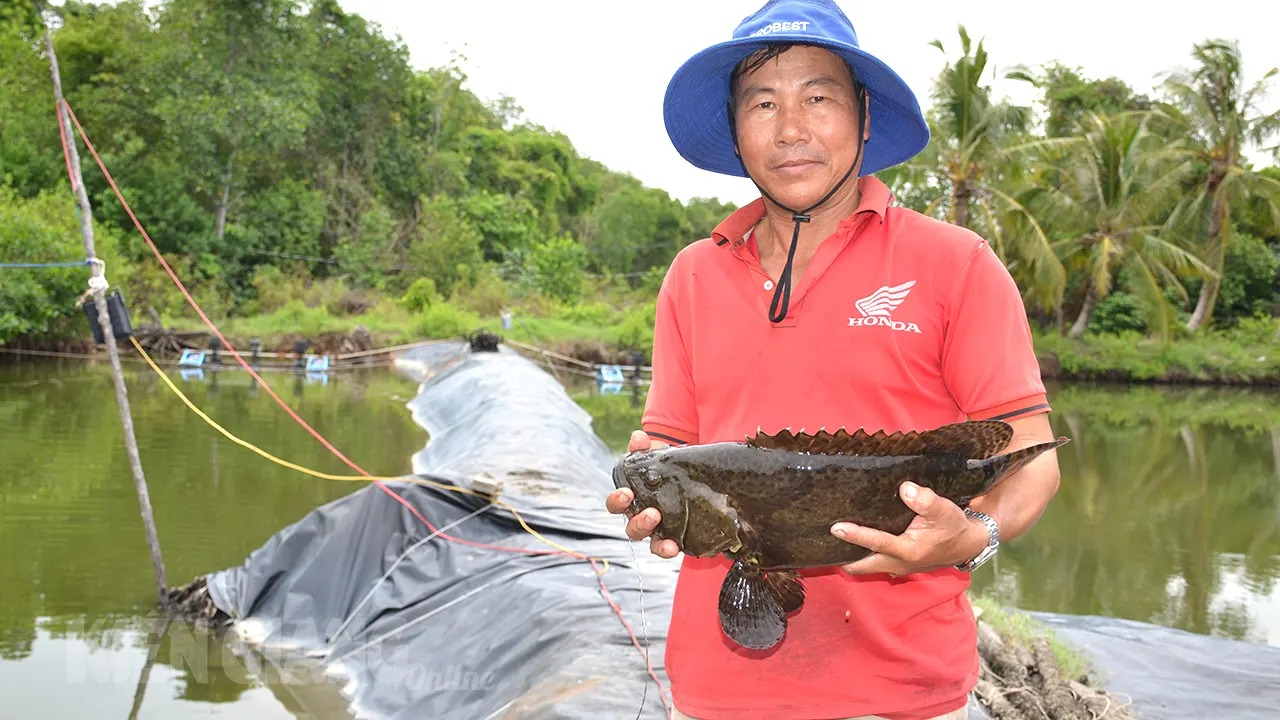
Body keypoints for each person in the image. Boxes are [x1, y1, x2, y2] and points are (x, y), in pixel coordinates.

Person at [603, 1, 1063, 719]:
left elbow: (1032, 457)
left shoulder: (956, 265)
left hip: (905, 693)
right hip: (717, 692)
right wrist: (651, 492)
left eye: (818, 97)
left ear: (865, 116)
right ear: (734, 127)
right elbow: (672, 442)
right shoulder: (692, 275)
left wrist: (971, 536)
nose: (791, 129)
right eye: (762, 103)